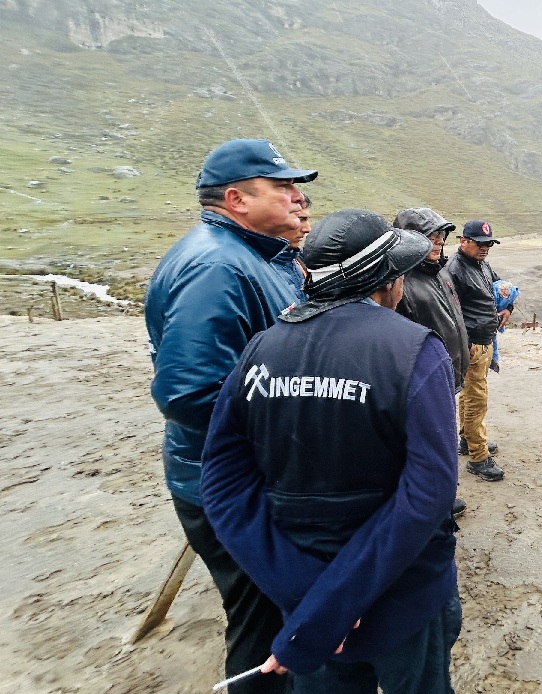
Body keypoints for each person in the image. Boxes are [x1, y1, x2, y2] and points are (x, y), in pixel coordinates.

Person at [200, 209, 460, 693]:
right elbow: (428, 494)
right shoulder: (415, 352)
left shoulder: (261, 350)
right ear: (387, 281)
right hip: (404, 590)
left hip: (302, 589)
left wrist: (312, 602)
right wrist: (334, 605)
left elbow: (222, 485)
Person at [144, 138, 317, 692]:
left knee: (274, 606)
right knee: (264, 622)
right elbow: (188, 392)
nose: (297, 197)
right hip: (233, 482)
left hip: (244, 474)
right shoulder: (218, 267)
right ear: (237, 198)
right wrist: (296, 419)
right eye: (283, 185)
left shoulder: (258, 256)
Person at [393, 207, 471, 518]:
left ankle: (440, 492)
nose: (438, 241)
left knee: (442, 438)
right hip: (422, 380)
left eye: (440, 234)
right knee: (425, 442)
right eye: (430, 235)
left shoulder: (440, 271)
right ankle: (433, 500)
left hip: (448, 373)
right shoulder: (400, 280)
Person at [445, 219, 512, 481]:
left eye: (488, 244)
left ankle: (467, 439)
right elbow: (451, 311)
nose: (485, 248)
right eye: (479, 243)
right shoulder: (454, 269)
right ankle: (478, 456)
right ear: (463, 241)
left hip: (484, 340)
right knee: (476, 398)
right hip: (471, 344)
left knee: (472, 394)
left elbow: (498, 289)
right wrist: (465, 341)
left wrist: (508, 308)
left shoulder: (481, 264)